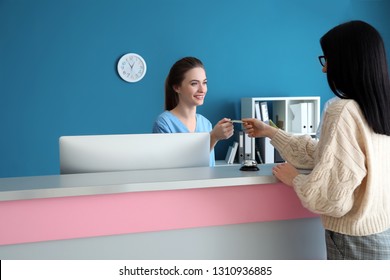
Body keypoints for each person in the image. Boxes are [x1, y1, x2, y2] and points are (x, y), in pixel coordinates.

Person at [243, 20, 390, 260]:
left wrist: (296, 180)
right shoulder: (378, 108)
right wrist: (271, 132)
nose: (324, 69)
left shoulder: (342, 110)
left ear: (347, 61)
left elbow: (329, 200)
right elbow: (327, 154)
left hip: (352, 240)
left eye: (327, 59)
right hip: (381, 236)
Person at [153, 57, 234, 166]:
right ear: (177, 87)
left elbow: (209, 166)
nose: (202, 89)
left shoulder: (206, 124)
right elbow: (172, 167)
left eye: (204, 83)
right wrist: (213, 137)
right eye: (194, 83)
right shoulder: (164, 123)